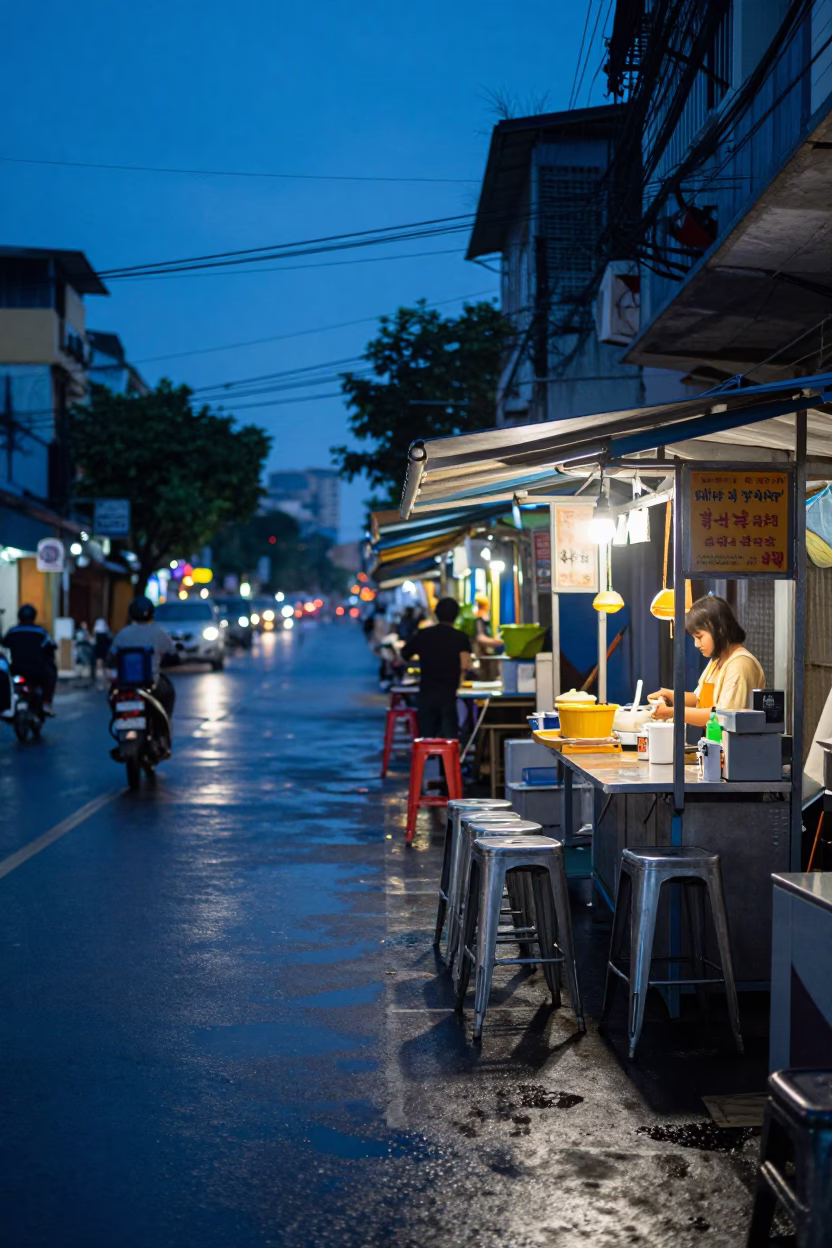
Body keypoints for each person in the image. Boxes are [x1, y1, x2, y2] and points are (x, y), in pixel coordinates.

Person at [648, 594, 765, 730]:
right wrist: (670, 694)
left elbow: (722, 717)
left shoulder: (740, 665)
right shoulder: (717, 659)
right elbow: (698, 699)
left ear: (719, 629)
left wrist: (673, 711)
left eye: (699, 637)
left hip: (734, 749)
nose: (696, 644)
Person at [400, 597, 471, 738]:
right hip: (450, 694)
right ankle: (448, 760)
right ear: (456, 616)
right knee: (449, 737)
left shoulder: (423, 634)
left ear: (436, 614)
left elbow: (404, 654)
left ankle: (428, 758)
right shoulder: (460, 637)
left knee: (427, 736)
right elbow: (465, 665)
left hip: (426, 693)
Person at [108, 596, 177, 724]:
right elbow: (173, 654)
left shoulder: (123, 633)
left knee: (111, 695)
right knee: (169, 693)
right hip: (152, 685)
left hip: (124, 684)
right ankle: (164, 723)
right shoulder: (159, 633)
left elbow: (111, 656)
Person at [2, 605, 58, 713]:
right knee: (51, 673)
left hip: (16, 669)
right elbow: (51, 646)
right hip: (37, 670)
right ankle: (47, 703)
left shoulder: (12, 631)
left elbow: (4, 644)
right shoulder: (41, 632)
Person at [473, 592, 502, 681]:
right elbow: (480, 637)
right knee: (485, 676)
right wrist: (495, 642)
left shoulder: (488, 620)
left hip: (490, 655)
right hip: (483, 655)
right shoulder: (478, 620)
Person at [93, 617, 112, 683]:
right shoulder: (105, 630)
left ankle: (99, 677)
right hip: (105, 648)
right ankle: (103, 677)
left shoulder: (97, 630)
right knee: (104, 662)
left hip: (99, 648)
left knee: (99, 661)